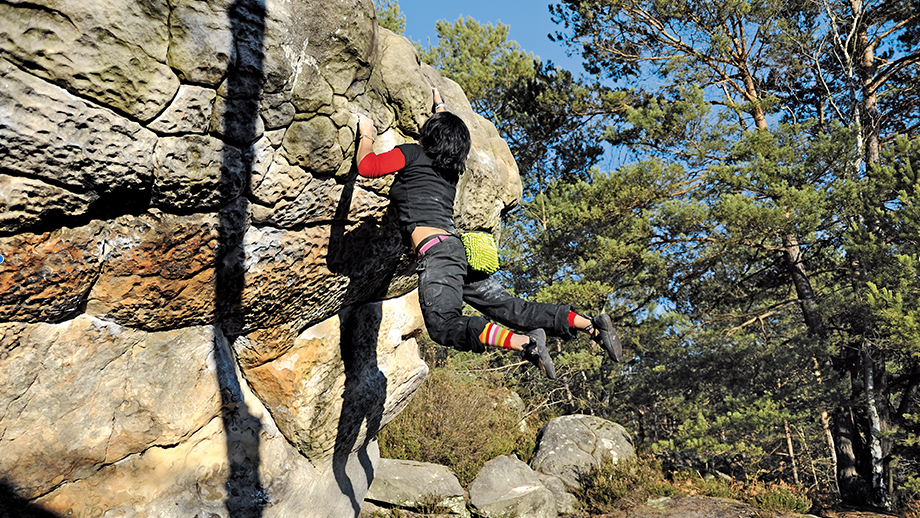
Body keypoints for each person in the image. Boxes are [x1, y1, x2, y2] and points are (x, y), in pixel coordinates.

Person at [355, 87, 622, 379]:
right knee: (511, 308)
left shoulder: (412, 154)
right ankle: (589, 324)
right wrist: (440, 105)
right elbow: (449, 135)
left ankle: (526, 344)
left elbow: (367, 166)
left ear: (429, 135)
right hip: (456, 252)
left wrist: (366, 133)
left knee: (444, 326)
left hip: (437, 254)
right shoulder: (450, 171)